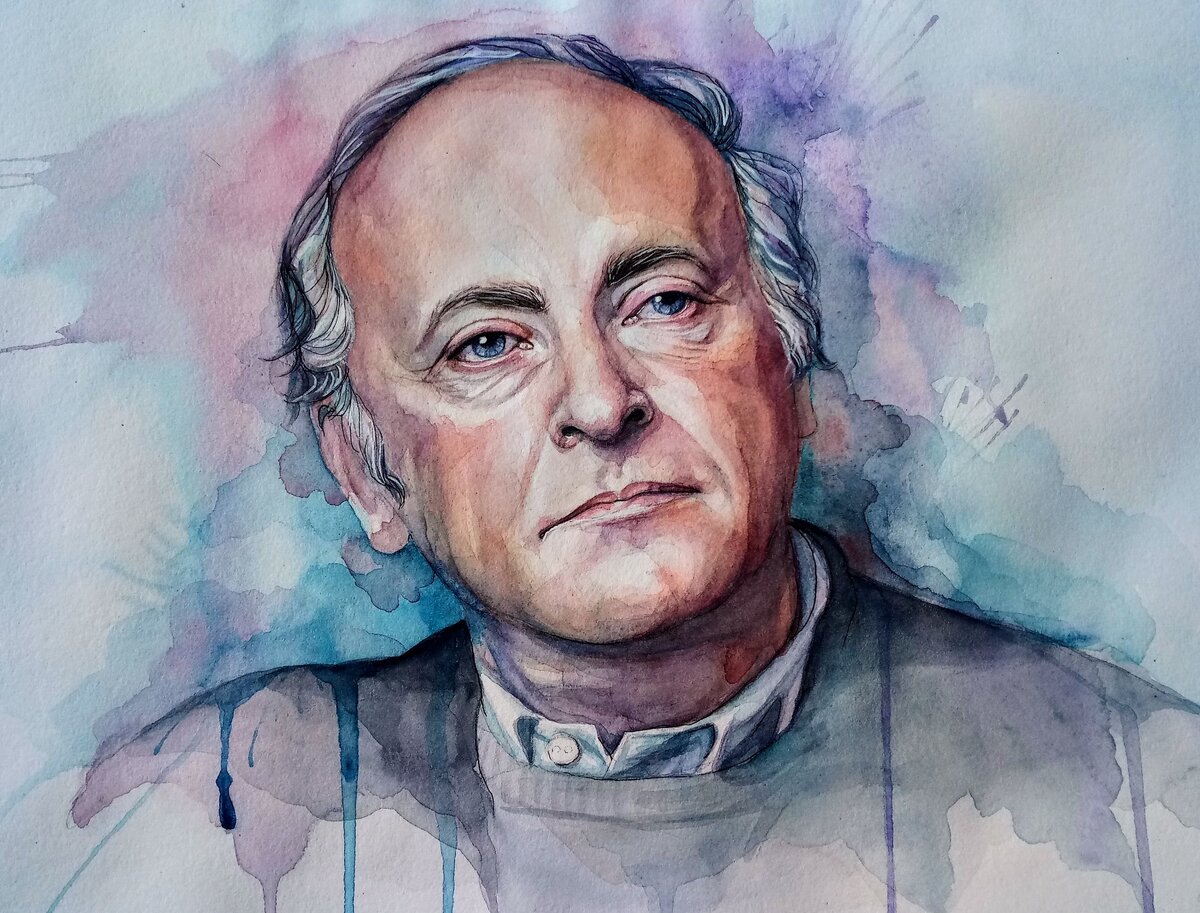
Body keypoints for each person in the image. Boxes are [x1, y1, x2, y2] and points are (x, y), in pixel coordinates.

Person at [68, 34, 1199, 913]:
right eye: (487, 344)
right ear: (365, 472)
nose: (603, 403)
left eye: (663, 301)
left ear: (790, 364)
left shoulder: (1141, 794)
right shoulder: (214, 808)